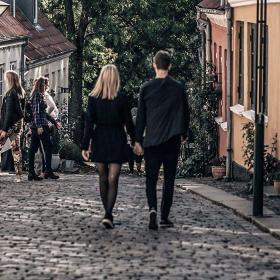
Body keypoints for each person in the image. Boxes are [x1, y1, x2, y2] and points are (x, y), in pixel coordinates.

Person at [134, 50, 190, 230]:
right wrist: (184, 133)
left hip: (152, 141)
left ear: (154, 65)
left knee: (150, 179)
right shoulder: (179, 87)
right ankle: (165, 216)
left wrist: (137, 140)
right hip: (172, 141)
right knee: (169, 180)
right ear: (170, 66)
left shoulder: (146, 88)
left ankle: (152, 210)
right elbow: (186, 113)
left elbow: (141, 118)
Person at [82, 64, 135, 229]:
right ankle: (108, 213)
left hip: (104, 138)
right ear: (116, 78)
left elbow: (89, 124)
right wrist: (135, 140)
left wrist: (85, 146)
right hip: (113, 138)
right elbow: (128, 123)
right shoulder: (115, 98)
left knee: (107, 177)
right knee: (109, 178)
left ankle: (108, 213)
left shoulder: (100, 98)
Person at [28, 77, 60, 181]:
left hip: (37, 126)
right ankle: (47, 171)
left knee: (33, 148)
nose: (47, 86)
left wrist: (54, 122)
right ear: (43, 84)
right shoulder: (37, 95)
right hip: (39, 126)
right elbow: (36, 113)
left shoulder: (38, 95)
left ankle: (32, 173)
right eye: (47, 84)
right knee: (48, 146)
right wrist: (39, 126)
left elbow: (43, 113)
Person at [0, 70, 25, 182]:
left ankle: (19, 175)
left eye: (6, 78)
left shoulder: (11, 94)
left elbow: (8, 112)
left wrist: (4, 129)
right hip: (16, 125)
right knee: (16, 150)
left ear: (10, 79)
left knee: (14, 150)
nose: (5, 80)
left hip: (10, 126)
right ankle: (19, 175)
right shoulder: (18, 92)